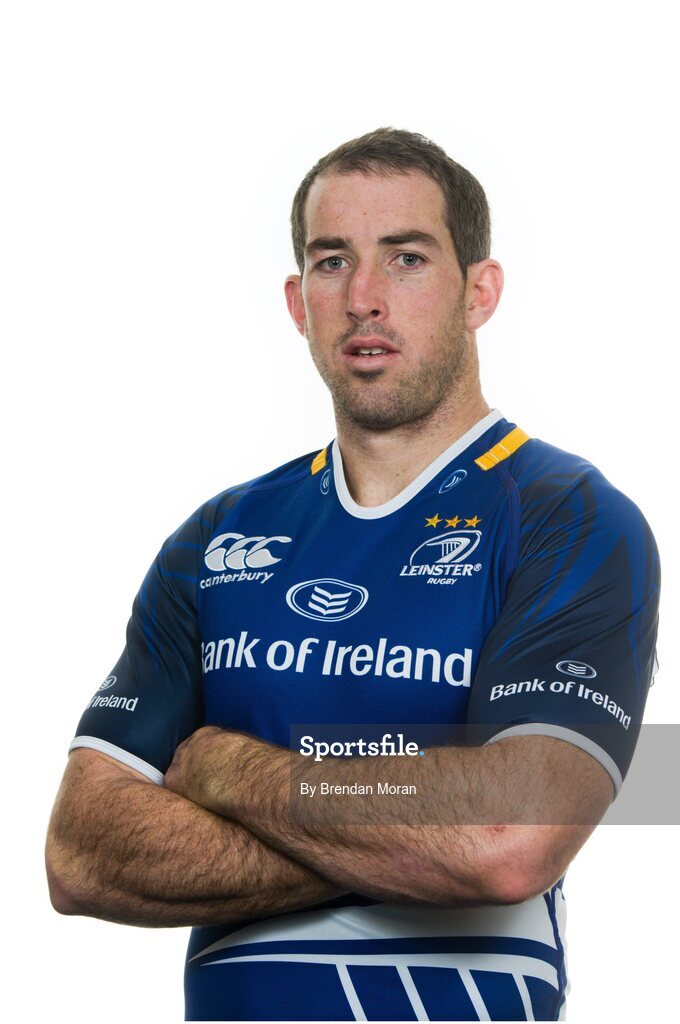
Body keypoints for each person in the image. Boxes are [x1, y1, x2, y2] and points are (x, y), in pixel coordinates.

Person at [45, 127, 660, 1022]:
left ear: (478, 292)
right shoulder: (219, 536)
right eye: (333, 262)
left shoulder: (570, 516)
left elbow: (509, 835)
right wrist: (409, 833)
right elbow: (80, 855)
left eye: (406, 258)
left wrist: (229, 775)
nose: (364, 298)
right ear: (297, 302)